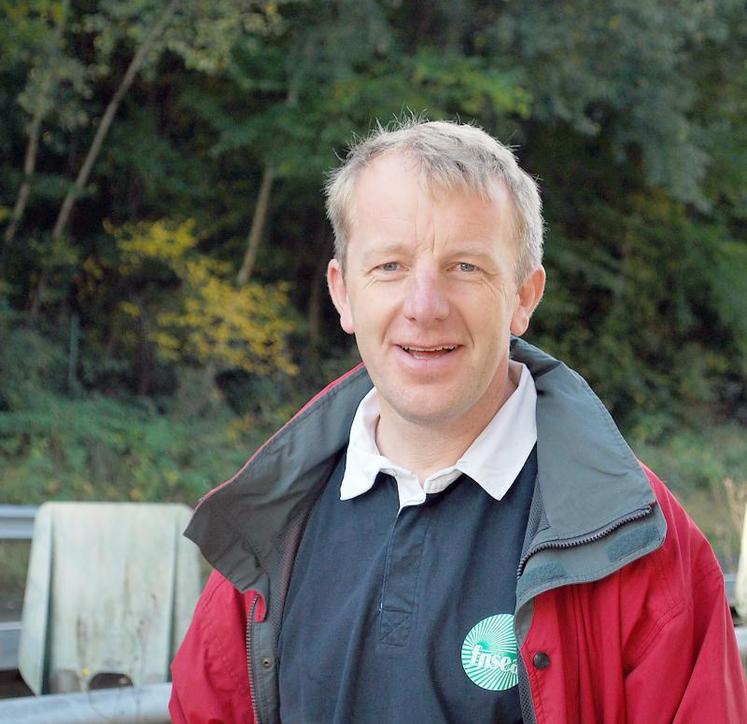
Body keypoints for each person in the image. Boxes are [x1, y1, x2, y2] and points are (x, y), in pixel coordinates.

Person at [170, 120, 747, 723]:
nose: (424, 307)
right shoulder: (268, 531)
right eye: (390, 266)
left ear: (524, 295)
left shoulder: (637, 543)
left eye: (466, 267)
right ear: (343, 294)